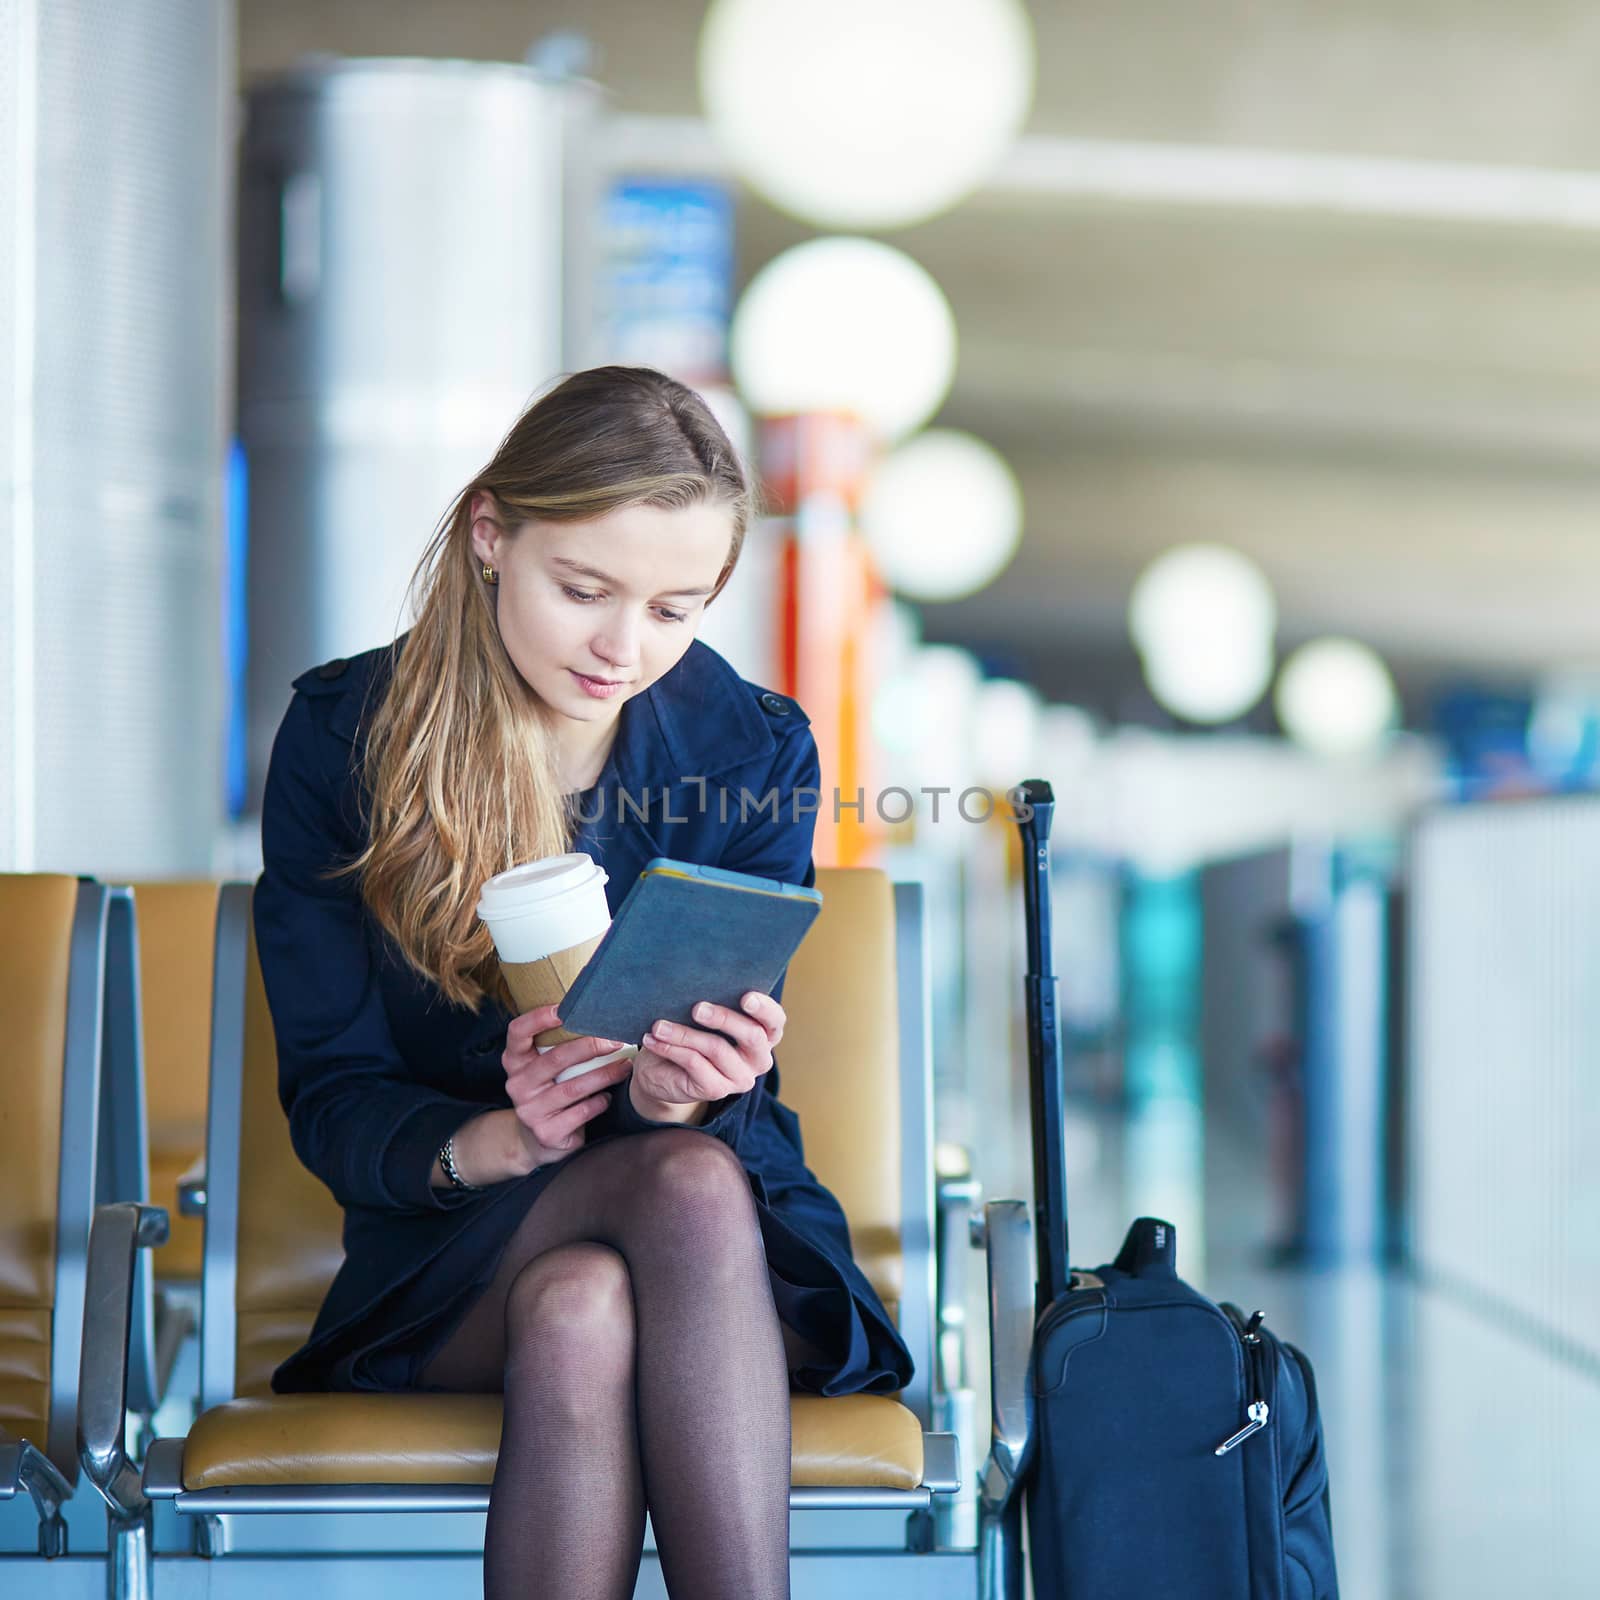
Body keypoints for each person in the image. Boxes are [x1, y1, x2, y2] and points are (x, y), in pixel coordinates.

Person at [253, 365, 914, 1600]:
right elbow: (334, 1093)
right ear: (491, 533)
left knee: (593, 1297)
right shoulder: (349, 739)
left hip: (701, 1238)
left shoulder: (752, 747)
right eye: (584, 590)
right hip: (453, 1257)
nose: (624, 648)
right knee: (660, 1210)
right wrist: (489, 1143)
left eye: (675, 609)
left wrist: (691, 1095)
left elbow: (719, 1091)